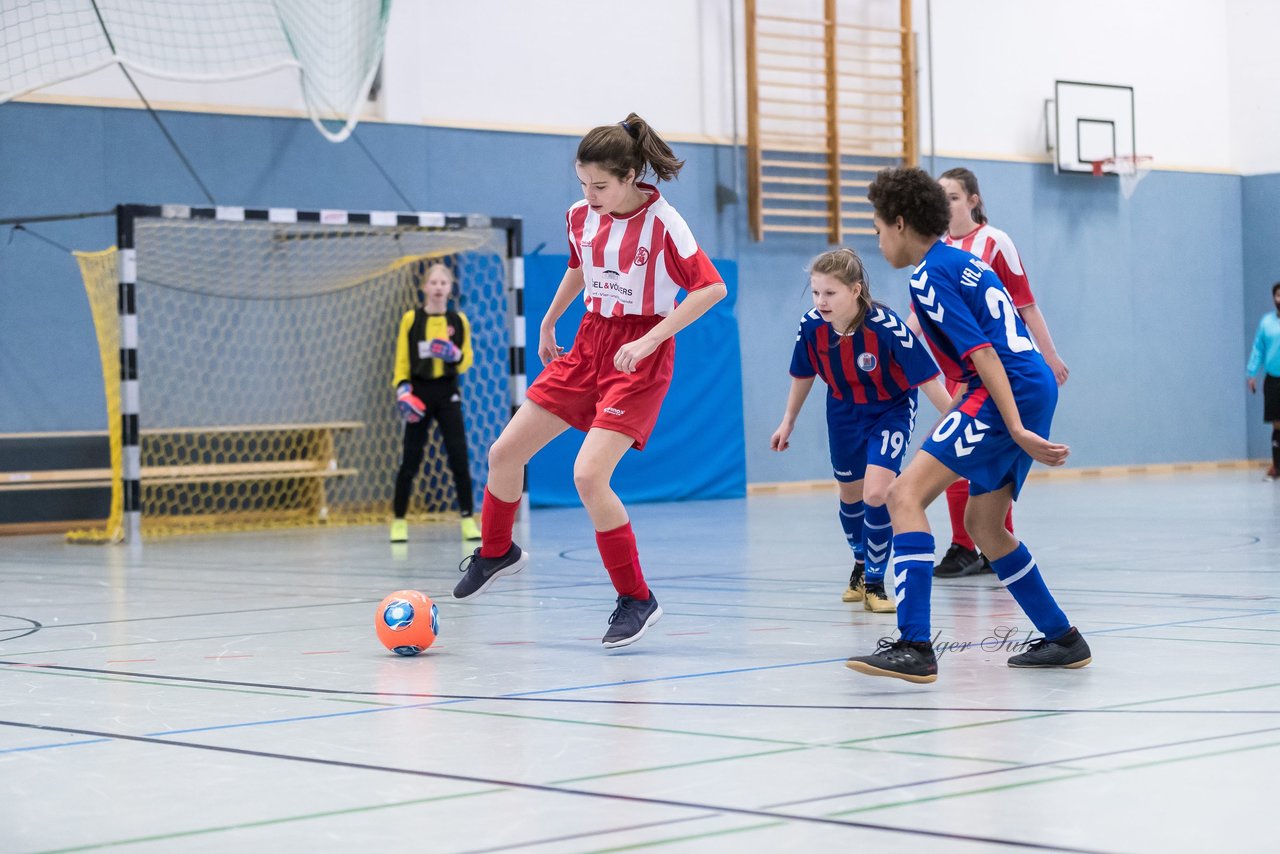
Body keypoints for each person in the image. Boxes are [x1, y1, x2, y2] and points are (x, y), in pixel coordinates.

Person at [450, 112, 727, 649]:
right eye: (583, 183)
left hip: (639, 351)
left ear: (629, 177)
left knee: (588, 476)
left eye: (600, 185)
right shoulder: (580, 216)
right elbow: (581, 267)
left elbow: (709, 290)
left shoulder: (665, 223)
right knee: (504, 453)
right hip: (589, 341)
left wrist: (650, 339)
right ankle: (496, 552)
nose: (590, 194)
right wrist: (551, 318)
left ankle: (636, 598)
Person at [846, 166, 1091, 683]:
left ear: (900, 221)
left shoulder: (928, 274)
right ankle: (1063, 638)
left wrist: (1016, 426)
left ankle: (915, 645)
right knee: (984, 526)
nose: (877, 239)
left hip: (1009, 389)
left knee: (903, 495)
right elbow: (982, 348)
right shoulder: (959, 261)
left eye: (877, 228)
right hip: (1026, 383)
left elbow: (983, 352)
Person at [770, 248, 949, 612]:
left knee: (877, 494)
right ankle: (860, 561)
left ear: (855, 290)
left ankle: (876, 584)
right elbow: (802, 374)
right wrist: (788, 420)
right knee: (850, 497)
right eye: (816, 292)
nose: (821, 301)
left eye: (830, 293)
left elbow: (927, 377)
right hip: (843, 413)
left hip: (891, 410)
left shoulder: (887, 327)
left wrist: (957, 418)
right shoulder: (811, 326)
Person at [920, 167, 1070, 578]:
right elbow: (920, 318)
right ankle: (962, 544)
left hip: (998, 360)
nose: (945, 203)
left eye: (952, 196)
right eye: (939, 197)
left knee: (986, 455)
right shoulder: (935, 250)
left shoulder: (995, 242)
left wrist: (1050, 355)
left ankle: (994, 540)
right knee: (951, 454)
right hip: (962, 365)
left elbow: (1025, 304)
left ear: (973, 200)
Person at [390, 261, 481, 542]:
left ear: (450, 287)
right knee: (411, 458)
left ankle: (467, 518)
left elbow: (466, 359)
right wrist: (402, 389)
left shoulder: (458, 321)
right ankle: (399, 520)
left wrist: (454, 355)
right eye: (434, 283)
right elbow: (402, 359)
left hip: (447, 392)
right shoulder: (411, 319)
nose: (439, 287)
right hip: (418, 392)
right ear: (424, 287)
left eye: (444, 283)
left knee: (458, 455)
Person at [1246, 281, 1280, 480]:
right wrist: (1251, 373)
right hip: (1273, 380)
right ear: (1274, 298)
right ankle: (1276, 466)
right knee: (1277, 425)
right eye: (1278, 295)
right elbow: (1258, 349)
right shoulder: (1266, 322)